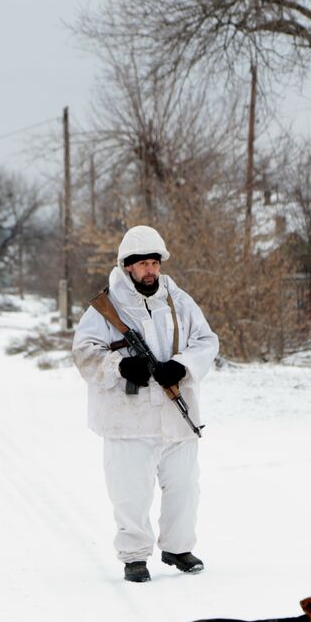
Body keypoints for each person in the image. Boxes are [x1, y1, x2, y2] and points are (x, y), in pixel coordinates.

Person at [72, 225, 220, 583]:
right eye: (143, 264)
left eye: (155, 262)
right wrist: (119, 365)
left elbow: (206, 341)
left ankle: (178, 547)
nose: (150, 270)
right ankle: (135, 556)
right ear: (128, 267)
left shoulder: (179, 301)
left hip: (176, 413)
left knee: (185, 487)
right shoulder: (105, 307)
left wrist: (182, 366)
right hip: (128, 420)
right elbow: (83, 353)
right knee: (130, 493)